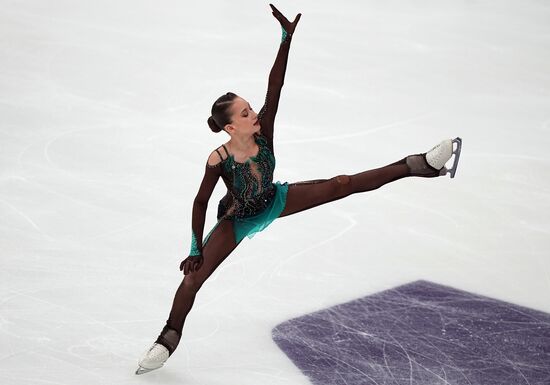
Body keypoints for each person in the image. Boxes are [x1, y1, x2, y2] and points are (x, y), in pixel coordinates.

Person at [136, 3, 462, 375]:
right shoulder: (218, 159)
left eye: (250, 109)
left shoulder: (264, 131)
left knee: (342, 184)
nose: (253, 114)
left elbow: (275, 86)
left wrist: (285, 39)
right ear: (230, 127)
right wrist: (195, 248)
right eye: (245, 114)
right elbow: (199, 203)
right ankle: (168, 337)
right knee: (193, 278)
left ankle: (419, 165)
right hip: (236, 219)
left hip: (273, 200)